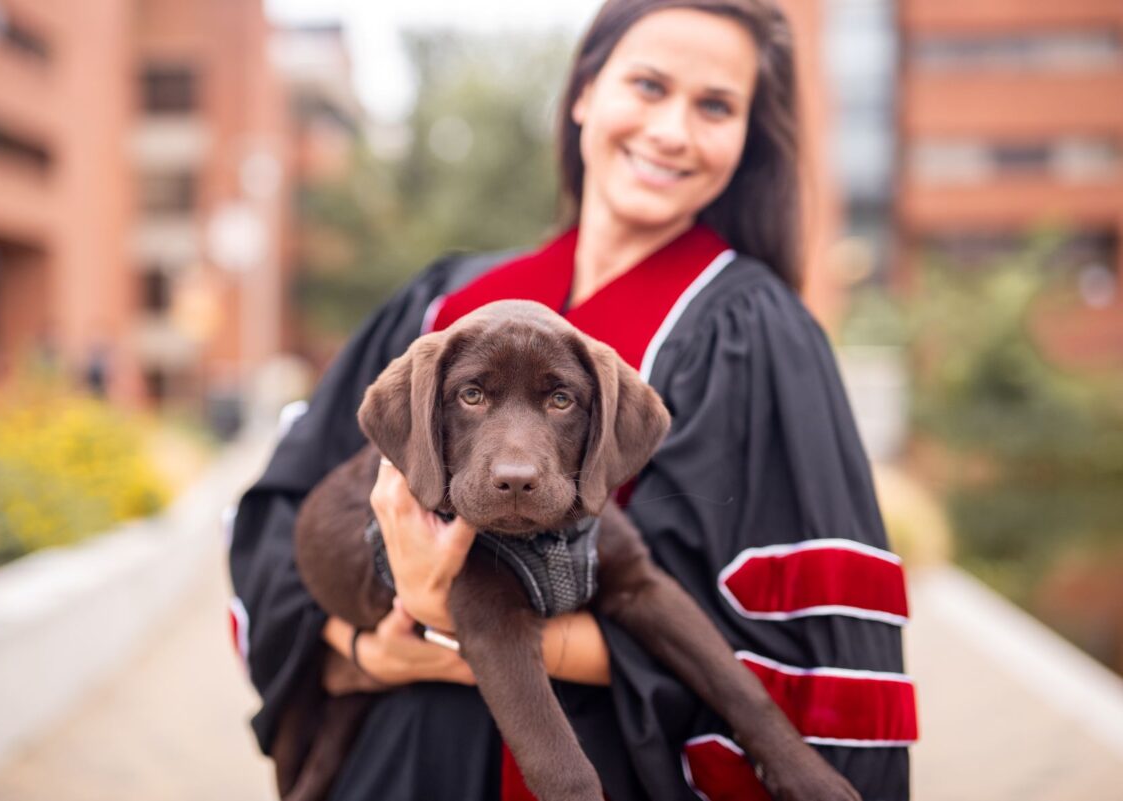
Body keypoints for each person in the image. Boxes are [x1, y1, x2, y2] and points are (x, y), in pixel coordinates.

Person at [228, 1, 917, 799]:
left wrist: (454, 619)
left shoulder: (757, 335)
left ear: (748, 139)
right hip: (395, 766)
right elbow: (284, 516)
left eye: (716, 106)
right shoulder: (440, 306)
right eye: (649, 86)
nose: (672, 130)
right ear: (585, 91)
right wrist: (357, 649)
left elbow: (796, 653)